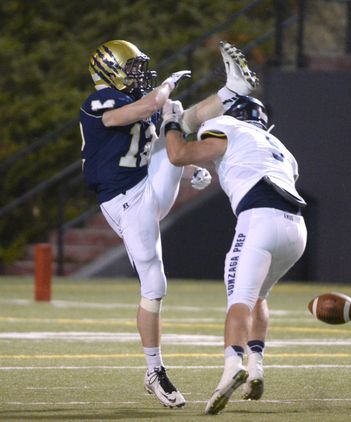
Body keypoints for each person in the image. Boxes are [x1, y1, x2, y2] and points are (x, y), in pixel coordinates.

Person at [79, 39, 258, 408]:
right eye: (131, 69)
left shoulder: (142, 101)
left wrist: (187, 167)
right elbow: (142, 109)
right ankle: (153, 370)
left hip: (145, 184)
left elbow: (180, 124)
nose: (139, 75)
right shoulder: (99, 102)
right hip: (124, 200)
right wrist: (164, 91)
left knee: (178, 117)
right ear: (109, 71)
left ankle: (232, 90)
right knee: (155, 286)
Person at [162, 95, 308, 414]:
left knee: (239, 299)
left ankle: (232, 366)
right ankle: (255, 365)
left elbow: (179, 155)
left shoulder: (227, 126)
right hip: (296, 231)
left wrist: (173, 124)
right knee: (259, 296)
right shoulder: (281, 147)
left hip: (260, 220)